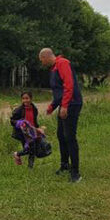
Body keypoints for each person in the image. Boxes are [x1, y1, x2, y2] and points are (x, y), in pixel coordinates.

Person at [39, 48, 83, 182]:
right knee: (61, 135)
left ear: (46, 57)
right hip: (64, 104)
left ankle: (75, 173)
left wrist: (64, 106)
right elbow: (59, 92)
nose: (42, 63)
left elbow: (69, 85)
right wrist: (52, 106)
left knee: (70, 137)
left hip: (72, 104)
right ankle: (65, 165)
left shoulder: (62, 63)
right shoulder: (54, 69)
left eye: (42, 61)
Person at [10, 91, 42, 166]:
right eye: (23, 99)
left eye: (27, 98)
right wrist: (18, 123)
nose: (25, 100)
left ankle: (30, 168)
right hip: (23, 133)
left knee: (32, 150)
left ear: (31, 99)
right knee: (29, 149)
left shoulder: (34, 109)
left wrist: (38, 130)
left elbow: (34, 121)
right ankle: (17, 154)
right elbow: (12, 121)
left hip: (32, 132)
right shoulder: (19, 110)